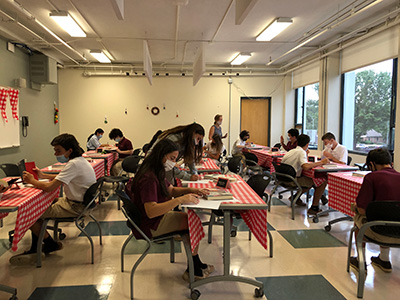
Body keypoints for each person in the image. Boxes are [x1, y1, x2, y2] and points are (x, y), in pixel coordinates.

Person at [126, 139, 214, 281]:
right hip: (150, 223)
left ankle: (195, 265)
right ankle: (194, 269)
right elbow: (151, 210)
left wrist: (192, 189)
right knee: (192, 223)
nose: (173, 163)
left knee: (189, 221)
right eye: (172, 158)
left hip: (151, 218)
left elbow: (170, 189)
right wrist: (180, 200)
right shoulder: (148, 177)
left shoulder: (155, 169)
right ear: (162, 155)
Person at [9, 134, 96, 265]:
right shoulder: (79, 161)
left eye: (58, 151)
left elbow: (49, 187)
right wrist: (43, 175)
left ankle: (49, 244)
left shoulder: (73, 164)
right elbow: (63, 175)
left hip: (75, 207)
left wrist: (32, 181)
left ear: (69, 150)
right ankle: (39, 245)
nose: (56, 153)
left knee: (30, 213)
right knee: (40, 205)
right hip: (81, 203)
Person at [350, 148, 400, 273]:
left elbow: (362, 210)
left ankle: (360, 259)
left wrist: (354, 207)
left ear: (371, 164)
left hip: (377, 229)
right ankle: (384, 259)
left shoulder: (371, 177)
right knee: (390, 215)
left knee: (358, 218)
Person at [281, 134, 330, 214]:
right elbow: (305, 166)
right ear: (307, 144)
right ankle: (314, 208)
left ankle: (295, 197)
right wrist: (321, 162)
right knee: (322, 181)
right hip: (292, 180)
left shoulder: (291, 151)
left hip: (283, 178)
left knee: (312, 180)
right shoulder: (301, 152)